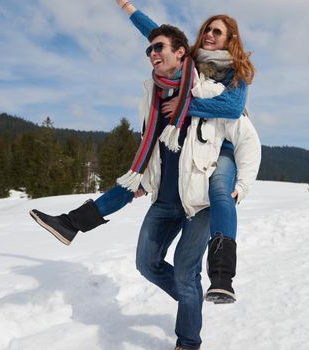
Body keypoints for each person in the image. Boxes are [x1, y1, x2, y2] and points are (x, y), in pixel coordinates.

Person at [116, 1, 259, 304]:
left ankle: (222, 276)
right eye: (207, 28)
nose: (208, 34)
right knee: (154, 263)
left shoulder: (235, 71)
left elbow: (233, 108)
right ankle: (191, 296)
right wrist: (128, 7)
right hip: (200, 146)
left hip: (226, 145)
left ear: (230, 38)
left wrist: (184, 106)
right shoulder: (192, 60)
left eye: (216, 31)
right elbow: (155, 34)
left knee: (220, 192)